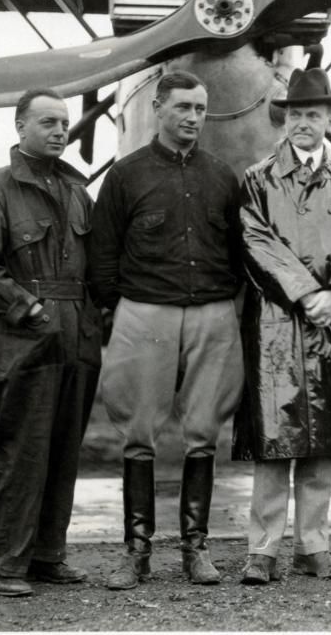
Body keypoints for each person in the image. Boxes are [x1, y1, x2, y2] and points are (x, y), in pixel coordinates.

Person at [89, 71, 244, 589]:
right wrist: (126, 308)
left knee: (203, 432)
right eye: (183, 108)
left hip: (211, 314)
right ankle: (136, 552)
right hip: (145, 312)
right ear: (158, 108)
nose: (193, 118)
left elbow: (239, 252)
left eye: (200, 109)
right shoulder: (126, 175)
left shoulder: (223, 175)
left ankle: (195, 550)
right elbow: (103, 253)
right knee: (138, 432)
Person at [0, 88, 101, 597]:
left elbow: (97, 269)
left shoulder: (78, 193)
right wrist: (28, 308)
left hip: (77, 338)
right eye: (47, 122)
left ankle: (46, 557)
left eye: (64, 122)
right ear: (20, 128)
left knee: (63, 449)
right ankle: (5, 565)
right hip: (23, 339)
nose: (60, 130)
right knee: (17, 448)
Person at [233, 68, 331, 585]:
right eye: (294, 114)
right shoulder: (257, 178)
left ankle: (314, 545)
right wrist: (307, 292)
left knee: (323, 443)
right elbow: (255, 241)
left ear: (330, 120)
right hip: (276, 324)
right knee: (276, 441)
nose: (301, 123)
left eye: (312, 115)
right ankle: (264, 549)